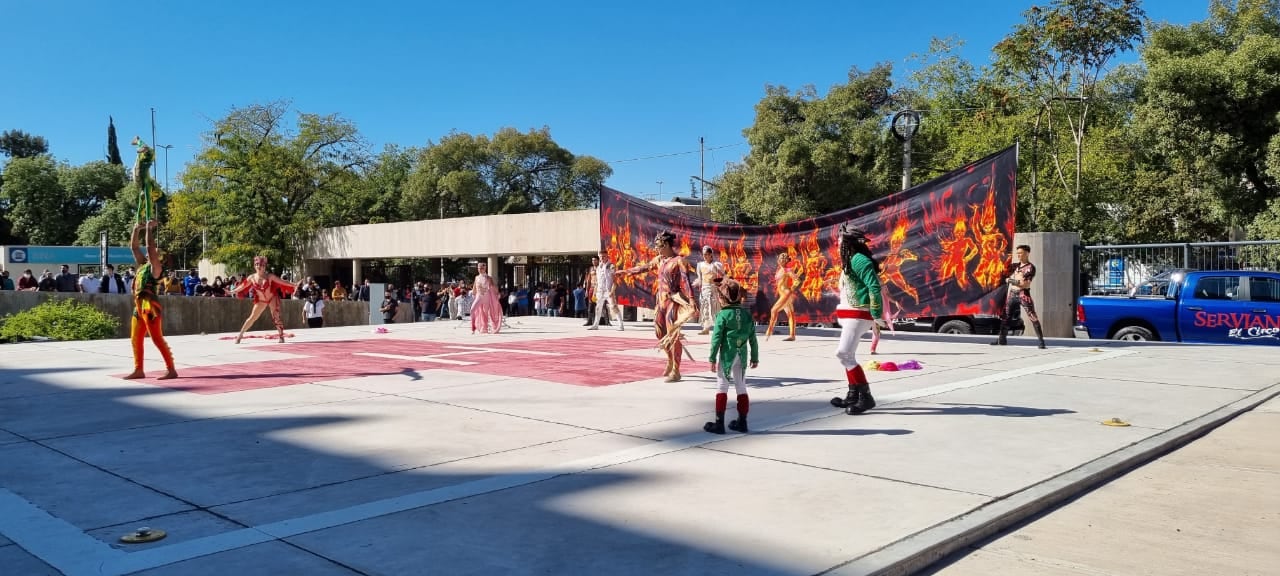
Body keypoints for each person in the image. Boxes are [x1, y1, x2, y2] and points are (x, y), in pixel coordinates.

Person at [618, 231, 697, 382]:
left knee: (672, 336)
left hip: (673, 301)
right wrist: (626, 272)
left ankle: (676, 370)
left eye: (659, 246)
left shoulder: (679, 260)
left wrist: (692, 299)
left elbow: (686, 280)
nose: (657, 249)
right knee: (660, 334)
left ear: (667, 245)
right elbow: (644, 268)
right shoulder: (659, 260)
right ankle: (669, 359)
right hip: (660, 302)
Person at [829, 223, 887, 415]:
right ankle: (853, 394)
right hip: (851, 313)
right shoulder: (851, 259)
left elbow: (874, 287)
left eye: (840, 240)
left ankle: (866, 397)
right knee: (847, 356)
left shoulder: (859, 260)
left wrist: (877, 314)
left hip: (859, 313)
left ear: (848, 242)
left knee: (843, 353)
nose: (837, 243)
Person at [123, 221, 177, 380]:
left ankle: (171, 369)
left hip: (150, 307)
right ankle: (138, 369)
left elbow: (149, 248)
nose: (149, 254)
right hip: (139, 306)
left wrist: (148, 229)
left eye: (154, 253)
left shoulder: (156, 269)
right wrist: (135, 229)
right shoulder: (143, 265)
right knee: (135, 338)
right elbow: (134, 247)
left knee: (156, 338)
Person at [704, 279, 758, 435]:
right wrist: (755, 357)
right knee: (741, 387)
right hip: (742, 355)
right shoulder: (747, 315)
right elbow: (753, 340)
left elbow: (716, 338)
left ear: (724, 298)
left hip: (727, 356)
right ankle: (742, 422)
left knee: (722, 387)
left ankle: (719, 424)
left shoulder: (723, 315)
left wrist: (712, 358)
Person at [227, 255, 296, 344]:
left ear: (265, 266)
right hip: (261, 300)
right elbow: (242, 286)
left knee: (276, 317)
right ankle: (240, 336)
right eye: (257, 265)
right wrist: (231, 292)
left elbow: (282, 282)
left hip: (272, 298)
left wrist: (294, 284)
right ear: (254, 266)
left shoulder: (270, 276)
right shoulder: (251, 277)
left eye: (262, 265)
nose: (259, 267)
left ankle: (281, 336)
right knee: (252, 318)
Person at [992, 244, 1046, 349]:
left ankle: (1041, 342)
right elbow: (1002, 270)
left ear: (1027, 253)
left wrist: (1011, 280)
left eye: (1021, 253)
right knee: (1006, 317)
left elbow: (1025, 284)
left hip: (1023, 294)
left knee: (1032, 316)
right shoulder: (1015, 266)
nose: (1019, 255)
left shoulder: (1030, 267)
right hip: (1012, 293)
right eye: (1018, 253)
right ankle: (1001, 340)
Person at [765, 252, 800, 341]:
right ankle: (792, 335)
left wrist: (791, 290)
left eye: (783, 259)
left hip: (786, 293)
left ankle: (769, 331)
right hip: (783, 293)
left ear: (786, 261)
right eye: (780, 258)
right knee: (790, 314)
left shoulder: (787, 270)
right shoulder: (780, 270)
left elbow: (797, 280)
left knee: (774, 310)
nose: (781, 260)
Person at [695, 246, 725, 335]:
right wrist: (698, 283)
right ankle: (706, 328)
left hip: (713, 289)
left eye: (707, 254)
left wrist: (720, 283)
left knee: (715, 309)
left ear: (711, 254)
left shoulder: (716, 265)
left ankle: (719, 328)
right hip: (704, 289)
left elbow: (723, 275)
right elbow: (699, 277)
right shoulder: (700, 265)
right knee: (705, 308)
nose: (705, 256)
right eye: (704, 254)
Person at [470, 262, 503, 334]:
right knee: (472, 309)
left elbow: (493, 286)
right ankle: (473, 328)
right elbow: (474, 287)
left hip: (486, 297)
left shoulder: (488, 278)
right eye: (479, 268)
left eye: (481, 268)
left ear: (485, 268)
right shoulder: (476, 277)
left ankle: (485, 328)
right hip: (479, 296)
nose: (480, 270)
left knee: (485, 313)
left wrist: (497, 293)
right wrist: (473, 293)